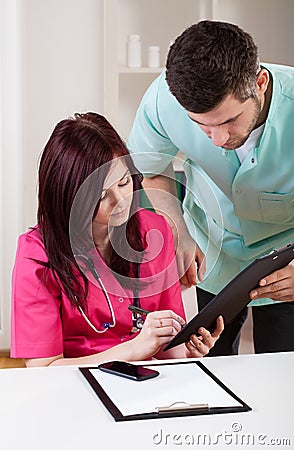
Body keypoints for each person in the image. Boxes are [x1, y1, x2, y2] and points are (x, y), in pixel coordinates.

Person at [128, 20, 294, 355]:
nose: (219, 140)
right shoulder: (163, 99)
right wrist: (177, 229)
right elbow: (151, 171)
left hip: (287, 261)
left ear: (259, 84)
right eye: (200, 125)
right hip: (213, 251)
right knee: (211, 367)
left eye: (229, 120)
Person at [10, 112, 223, 367]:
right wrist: (133, 350)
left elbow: (168, 350)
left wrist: (189, 349)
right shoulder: (36, 255)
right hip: (75, 390)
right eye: (101, 196)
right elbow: (43, 368)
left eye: (124, 183)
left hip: (146, 385)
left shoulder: (155, 232)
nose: (121, 201)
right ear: (68, 198)